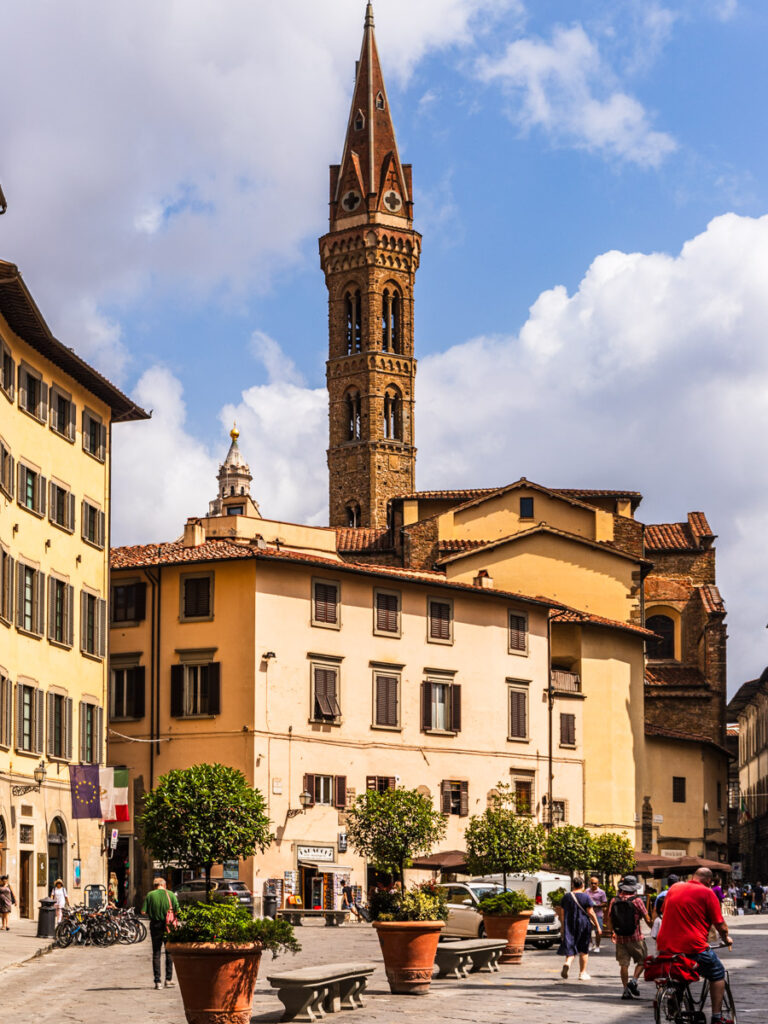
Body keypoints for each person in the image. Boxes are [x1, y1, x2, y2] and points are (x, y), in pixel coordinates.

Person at [657, 867, 733, 1024]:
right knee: (717, 972)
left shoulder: (675, 888)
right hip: (693, 945)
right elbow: (720, 924)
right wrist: (726, 938)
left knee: (684, 970)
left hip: (665, 945)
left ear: (693, 876)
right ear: (709, 882)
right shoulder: (707, 893)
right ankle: (717, 1017)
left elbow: (664, 911)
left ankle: (675, 999)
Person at [607, 874, 651, 1000]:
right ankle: (634, 981)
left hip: (620, 938)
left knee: (623, 965)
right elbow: (647, 918)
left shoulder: (614, 900)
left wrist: (613, 933)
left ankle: (626, 990)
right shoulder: (637, 901)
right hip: (635, 937)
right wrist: (653, 927)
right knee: (643, 960)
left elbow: (609, 919)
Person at [558, 876, 601, 981]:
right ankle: (582, 973)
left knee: (571, 946)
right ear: (582, 885)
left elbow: (562, 914)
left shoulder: (566, 897)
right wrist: (598, 926)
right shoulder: (586, 897)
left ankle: (567, 963)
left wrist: (563, 927)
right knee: (583, 949)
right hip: (583, 924)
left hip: (569, 924)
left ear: (573, 885)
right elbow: (591, 912)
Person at [141, 877, 180, 990]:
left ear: (154, 885)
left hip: (155, 925)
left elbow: (143, 911)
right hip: (169, 925)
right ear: (164, 885)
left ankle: (157, 981)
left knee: (156, 953)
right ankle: (168, 979)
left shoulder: (150, 895)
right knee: (169, 952)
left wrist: (153, 912)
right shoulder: (171, 895)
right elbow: (177, 910)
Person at [587, 876, 607, 951]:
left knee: (598, 931)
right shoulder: (586, 891)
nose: (593, 885)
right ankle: (591, 943)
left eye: (595, 883)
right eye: (592, 883)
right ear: (590, 883)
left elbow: (605, 903)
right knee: (588, 930)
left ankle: (597, 946)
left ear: (598, 884)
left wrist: (597, 905)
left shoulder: (601, 892)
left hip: (598, 914)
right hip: (588, 914)